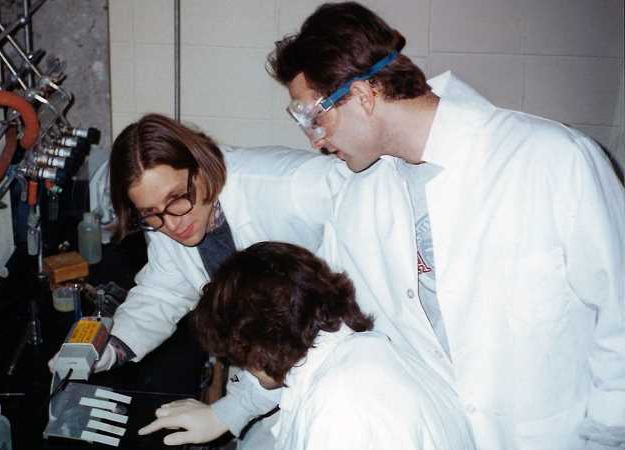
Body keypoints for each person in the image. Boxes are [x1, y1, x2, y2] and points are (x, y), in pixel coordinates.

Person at [266, 2, 625, 449]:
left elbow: (620, 317)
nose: (316, 141)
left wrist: (606, 439)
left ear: (362, 95)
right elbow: (338, 331)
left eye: (313, 116)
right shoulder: (356, 203)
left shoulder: (553, 160)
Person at [80, 113, 350, 446]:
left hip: (340, 378)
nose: (172, 224)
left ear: (201, 164)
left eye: (176, 198)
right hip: (277, 376)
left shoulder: (295, 187)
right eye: (150, 214)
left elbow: (345, 310)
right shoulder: (170, 217)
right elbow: (166, 288)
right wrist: (112, 346)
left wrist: (234, 409)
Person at [139, 242, 477, 449]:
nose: (245, 370)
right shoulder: (359, 352)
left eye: (239, 358)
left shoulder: (342, 412)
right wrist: (222, 414)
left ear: (257, 350)